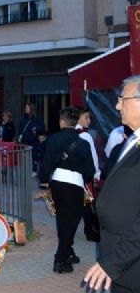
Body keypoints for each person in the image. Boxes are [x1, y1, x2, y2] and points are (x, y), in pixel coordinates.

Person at [84, 76, 140, 293]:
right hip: (125, 268)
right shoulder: (132, 140)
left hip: (128, 258)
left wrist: (113, 262)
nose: (117, 106)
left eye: (122, 99)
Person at [39, 107, 95, 274]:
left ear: (62, 122)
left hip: (56, 182)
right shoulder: (83, 143)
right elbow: (90, 172)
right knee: (72, 222)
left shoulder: (53, 139)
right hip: (74, 184)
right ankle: (60, 259)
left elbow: (46, 164)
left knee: (62, 220)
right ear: (76, 122)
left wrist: (44, 179)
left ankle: (68, 253)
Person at [75, 107, 101, 242]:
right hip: (84, 176)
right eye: (86, 117)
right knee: (88, 204)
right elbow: (93, 158)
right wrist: (96, 174)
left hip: (70, 176)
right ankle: (90, 231)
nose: (89, 121)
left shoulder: (68, 133)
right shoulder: (86, 136)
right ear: (78, 118)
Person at [18, 102, 45, 173]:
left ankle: (34, 170)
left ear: (31, 109)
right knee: (25, 156)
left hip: (34, 141)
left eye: (27, 107)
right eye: (25, 107)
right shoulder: (23, 118)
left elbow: (42, 127)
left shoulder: (36, 118)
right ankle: (26, 169)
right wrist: (20, 134)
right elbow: (20, 128)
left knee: (34, 155)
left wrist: (36, 128)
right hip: (25, 140)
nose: (26, 109)